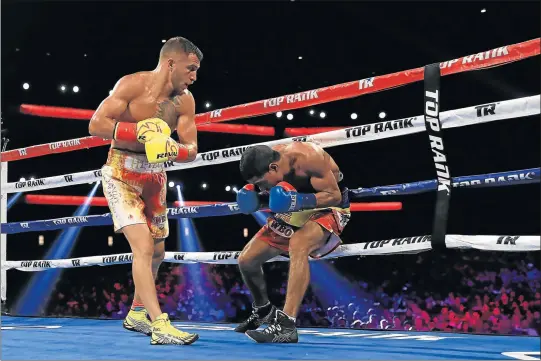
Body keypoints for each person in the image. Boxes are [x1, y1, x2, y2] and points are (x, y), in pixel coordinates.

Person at [88, 36, 202, 345]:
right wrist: (136, 130)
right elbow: (96, 124)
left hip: (155, 177)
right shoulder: (132, 85)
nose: (194, 77)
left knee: (159, 250)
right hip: (120, 171)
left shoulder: (186, 101)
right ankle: (160, 324)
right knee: (143, 247)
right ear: (170, 63)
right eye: (190, 69)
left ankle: (137, 313)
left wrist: (171, 148)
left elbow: (191, 149)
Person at [235, 142, 351, 343]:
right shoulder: (272, 166)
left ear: (273, 167)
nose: (262, 188)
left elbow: (334, 195)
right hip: (294, 209)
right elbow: (281, 198)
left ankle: (286, 325)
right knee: (247, 260)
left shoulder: (308, 157)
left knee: (298, 243)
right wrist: (259, 201)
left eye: (262, 183)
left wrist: (297, 202)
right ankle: (263, 310)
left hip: (329, 207)